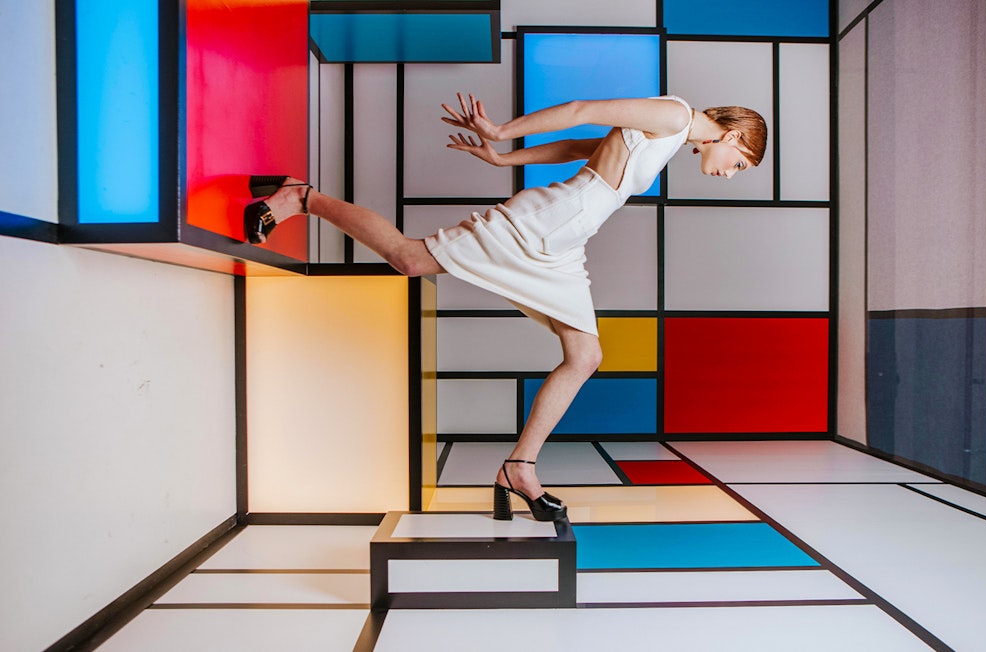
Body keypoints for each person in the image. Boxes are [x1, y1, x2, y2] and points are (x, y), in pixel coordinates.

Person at [244, 93, 766, 522]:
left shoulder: (674, 136)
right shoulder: (675, 115)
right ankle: (300, 197)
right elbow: (583, 110)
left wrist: (504, 160)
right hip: (541, 224)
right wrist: (502, 132)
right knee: (409, 259)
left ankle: (519, 467)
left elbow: (580, 145)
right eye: (739, 164)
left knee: (584, 356)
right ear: (735, 135)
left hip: (564, 242)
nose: (730, 173)